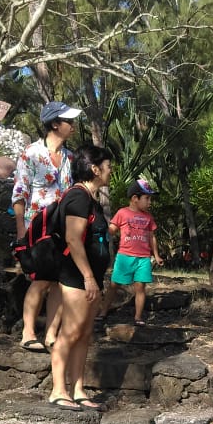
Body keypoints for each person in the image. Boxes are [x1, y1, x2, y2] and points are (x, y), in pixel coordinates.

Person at [11, 100, 81, 352]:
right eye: (68, 121)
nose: (72, 126)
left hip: (62, 228)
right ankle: (28, 332)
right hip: (37, 227)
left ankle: (51, 334)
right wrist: (21, 230)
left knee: (59, 282)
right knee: (40, 280)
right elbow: (20, 192)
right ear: (54, 124)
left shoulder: (70, 158)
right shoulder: (31, 153)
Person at [48, 144, 112, 410]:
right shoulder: (78, 197)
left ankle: (78, 389)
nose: (110, 171)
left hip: (91, 276)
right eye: (108, 166)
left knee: (84, 334)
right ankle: (58, 390)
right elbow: (73, 239)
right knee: (70, 333)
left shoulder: (91, 198)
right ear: (95, 169)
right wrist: (87, 276)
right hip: (77, 277)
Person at [102, 178, 163, 326]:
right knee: (114, 285)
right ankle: (103, 311)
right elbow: (112, 229)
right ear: (135, 198)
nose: (150, 202)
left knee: (140, 287)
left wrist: (156, 255)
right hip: (124, 256)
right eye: (147, 198)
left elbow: (151, 236)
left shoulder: (148, 217)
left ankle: (138, 317)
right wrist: (101, 232)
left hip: (143, 259)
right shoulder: (122, 213)